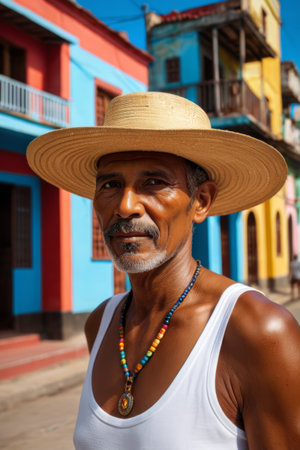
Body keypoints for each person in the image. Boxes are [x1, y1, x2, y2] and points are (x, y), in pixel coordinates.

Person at [27, 92, 300, 449]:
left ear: (201, 201)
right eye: (110, 185)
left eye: (153, 182)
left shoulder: (257, 332)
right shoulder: (102, 324)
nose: (125, 207)